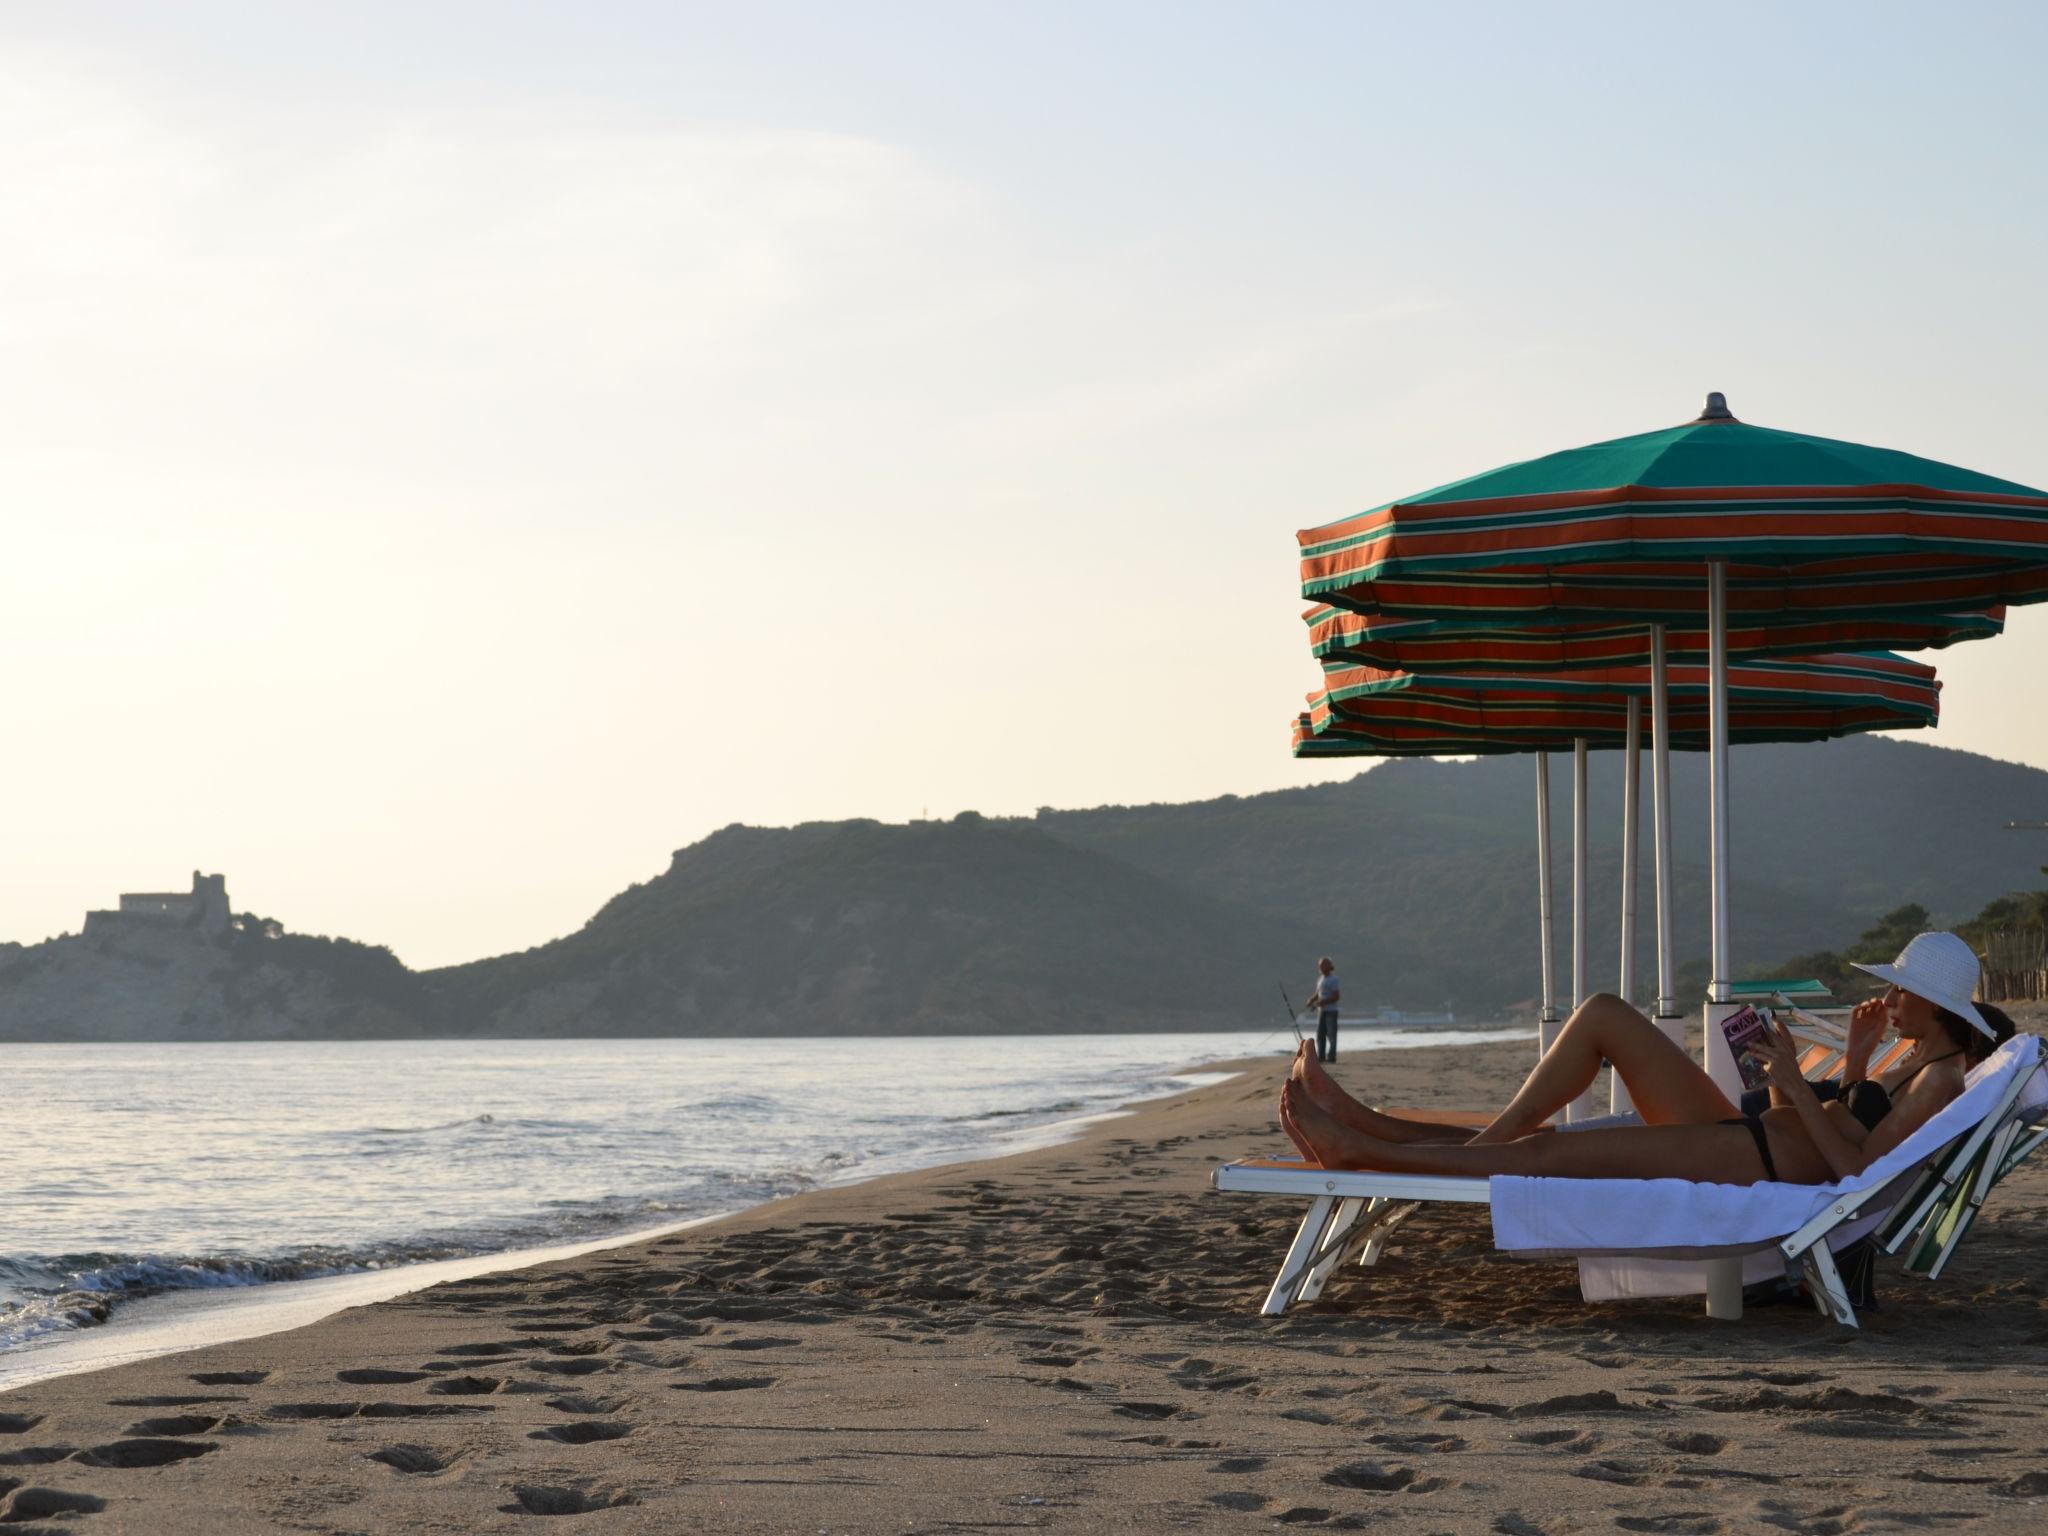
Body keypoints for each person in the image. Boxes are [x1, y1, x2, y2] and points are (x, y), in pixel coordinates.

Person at [1279, 931, 2010, 1187]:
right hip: (1755, 1137)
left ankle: (1360, 1147)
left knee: (1552, 1155)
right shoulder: (1913, 1057)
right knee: (1602, 1013)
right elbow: (1852, 1131)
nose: (1891, 996)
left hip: (1758, 1162)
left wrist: (1794, 1084)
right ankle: (1364, 1124)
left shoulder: (1942, 1082)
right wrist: (1846, 1062)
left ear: (1941, 1009)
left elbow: (1855, 1174)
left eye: (1903, 989)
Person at [1308, 957, 1341, 1064]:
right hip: (1321, 1011)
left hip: (1331, 1011)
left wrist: (1323, 1002)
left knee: (1331, 1034)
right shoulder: (1320, 979)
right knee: (1320, 1034)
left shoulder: (1334, 979)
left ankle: (1331, 1057)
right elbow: (1318, 994)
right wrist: (1311, 1000)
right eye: (1320, 965)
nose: (1320, 967)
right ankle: (1321, 1057)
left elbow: (1336, 996)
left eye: (1322, 965)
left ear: (1328, 966)